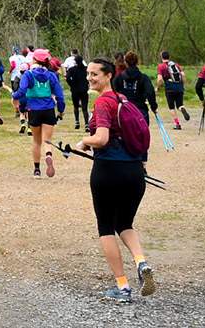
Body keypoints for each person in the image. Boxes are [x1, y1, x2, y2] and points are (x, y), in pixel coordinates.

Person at [71, 57, 157, 303]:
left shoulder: (103, 102)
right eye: (88, 73)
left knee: (106, 227)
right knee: (125, 224)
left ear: (109, 76)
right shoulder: (124, 100)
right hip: (134, 172)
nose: (89, 78)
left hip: (108, 171)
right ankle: (141, 263)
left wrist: (84, 142)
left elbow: (101, 138)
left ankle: (123, 288)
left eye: (94, 74)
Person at [13, 49, 65, 178]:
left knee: (36, 141)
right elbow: (59, 95)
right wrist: (61, 110)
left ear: (35, 60)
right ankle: (48, 155)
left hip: (34, 110)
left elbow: (23, 91)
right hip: (48, 109)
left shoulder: (28, 74)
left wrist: (18, 100)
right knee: (47, 140)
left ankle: (37, 170)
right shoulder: (51, 75)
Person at [113, 52, 159, 124]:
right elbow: (150, 93)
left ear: (125, 62)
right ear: (137, 62)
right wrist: (154, 106)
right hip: (140, 111)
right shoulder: (143, 78)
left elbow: (113, 93)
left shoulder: (118, 78)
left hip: (124, 111)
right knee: (142, 134)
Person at [156, 52, 187, 128]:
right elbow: (183, 75)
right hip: (179, 87)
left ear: (161, 57)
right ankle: (182, 109)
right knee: (179, 105)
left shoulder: (161, 66)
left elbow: (160, 79)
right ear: (169, 57)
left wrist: (157, 87)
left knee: (171, 107)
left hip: (170, 88)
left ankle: (177, 124)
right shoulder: (176, 65)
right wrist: (183, 85)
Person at [65, 50, 90, 129]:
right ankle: (86, 124)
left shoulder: (72, 69)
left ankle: (77, 122)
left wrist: (71, 85)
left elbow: (68, 78)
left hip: (75, 90)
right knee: (84, 107)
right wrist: (87, 84)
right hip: (84, 89)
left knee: (76, 107)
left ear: (75, 62)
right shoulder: (86, 69)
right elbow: (89, 77)